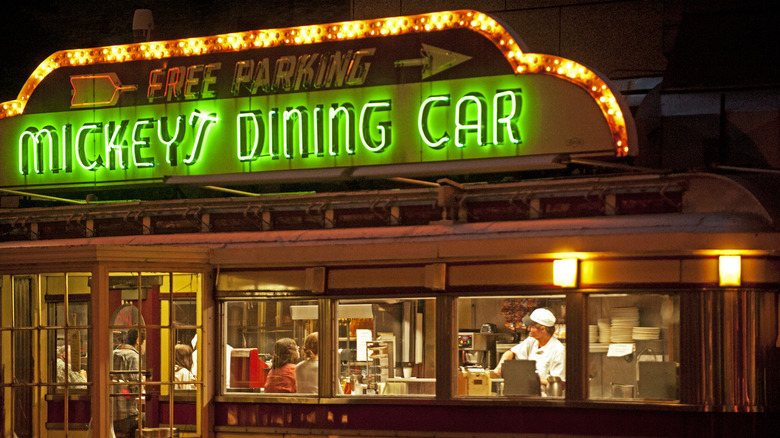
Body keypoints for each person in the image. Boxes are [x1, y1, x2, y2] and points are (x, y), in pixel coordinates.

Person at [495, 308, 565, 389]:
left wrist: (530, 378)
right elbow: (511, 352)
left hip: (546, 397)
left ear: (542, 329)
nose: (528, 329)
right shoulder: (532, 340)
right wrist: (501, 364)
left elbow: (560, 383)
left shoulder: (558, 350)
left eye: (532, 327)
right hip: (529, 393)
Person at [112, 328, 146, 438]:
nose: (146, 347)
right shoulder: (134, 356)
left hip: (111, 415)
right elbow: (135, 389)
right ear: (138, 340)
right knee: (149, 418)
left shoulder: (113, 353)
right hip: (126, 416)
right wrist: (144, 382)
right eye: (145, 343)